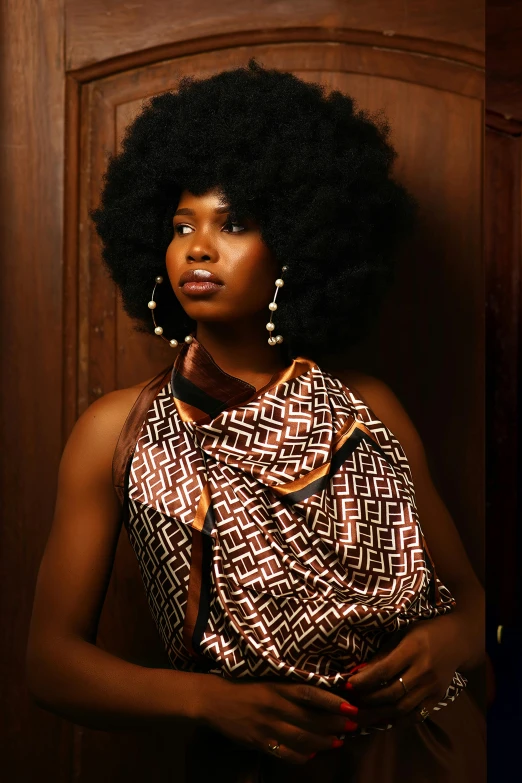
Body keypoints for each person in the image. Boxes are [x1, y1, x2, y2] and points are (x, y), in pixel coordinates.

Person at [26, 59, 486, 782]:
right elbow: (50, 664)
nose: (198, 247)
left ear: (298, 245)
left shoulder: (368, 406)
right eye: (182, 225)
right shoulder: (117, 431)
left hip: (424, 753)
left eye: (233, 223)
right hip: (246, 763)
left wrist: (452, 644)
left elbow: (467, 600)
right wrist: (206, 701)